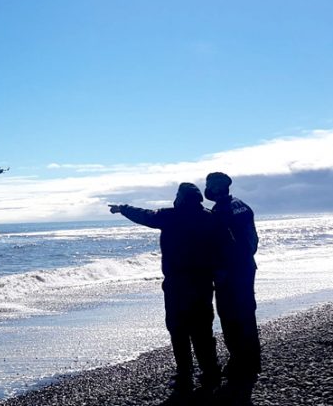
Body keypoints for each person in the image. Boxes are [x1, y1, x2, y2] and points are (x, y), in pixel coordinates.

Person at [109, 183, 230, 398]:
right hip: (202, 283)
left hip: (178, 284)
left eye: (177, 195)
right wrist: (220, 271)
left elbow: (145, 215)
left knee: (179, 331)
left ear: (182, 198)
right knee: (202, 331)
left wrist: (122, 208)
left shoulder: (171, 216)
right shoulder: (210, 217)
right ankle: (210, 373)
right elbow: (225, 245)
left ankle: (185, 375)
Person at [204, 172, 261, 404]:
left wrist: (222, 269)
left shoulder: (221, 212)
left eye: (209, 185)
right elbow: (252, 240)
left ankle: (240, 362)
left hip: (231, 272)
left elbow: (225, 244)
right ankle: (251, 361)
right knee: (247, 315)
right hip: (247, 267)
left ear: (216, 189)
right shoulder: (243, 206)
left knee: (230, 318)